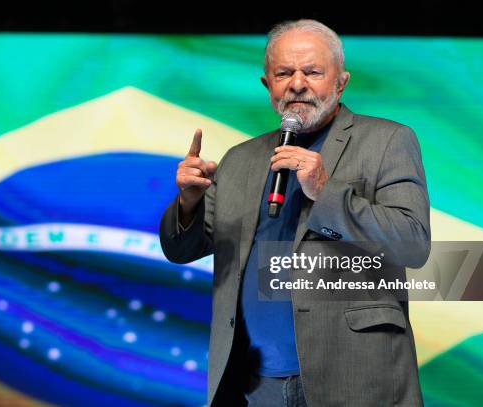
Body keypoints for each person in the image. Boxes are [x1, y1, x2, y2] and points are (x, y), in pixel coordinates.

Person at [159, 19, 430, 407]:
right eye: (284, 73)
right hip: (257, 383)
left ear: (341, 81)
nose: (297, 83)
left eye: (312, 71)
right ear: (267, 85)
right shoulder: (241, 159)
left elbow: (413, 244)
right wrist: (188, 202)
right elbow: (182, 250)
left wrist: (325, 191)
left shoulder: (387, 141)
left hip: (354, 379)